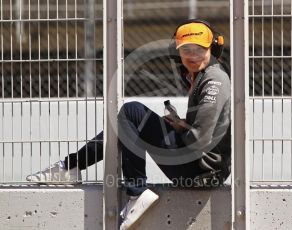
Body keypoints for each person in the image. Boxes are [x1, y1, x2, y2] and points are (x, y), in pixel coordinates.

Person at [26, 19, 231, 230]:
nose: (192, 55)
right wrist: (180, 125)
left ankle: (129, 189)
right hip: (200, 169)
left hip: (201, 173)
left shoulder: (214, 80)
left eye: (199, 49)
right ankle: (72, 167)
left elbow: (199, 140)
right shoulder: (204, 76)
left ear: (213, 48)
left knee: (131, 112)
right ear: (177, 53)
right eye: (186, 49)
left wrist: (181, 129)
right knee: (127, 123)